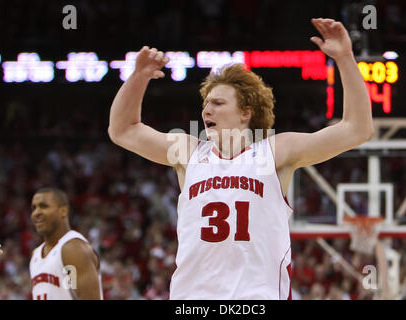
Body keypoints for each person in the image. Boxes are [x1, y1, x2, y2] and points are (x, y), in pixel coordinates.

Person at [108, 18, 373, 299]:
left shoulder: (275, 152)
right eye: (205, 104)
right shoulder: (188, 153)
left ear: (245, 112)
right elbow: (122, 130)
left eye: (218, 103)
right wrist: (137, 77)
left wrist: (344, 57)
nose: (207, 110)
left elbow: (357, 128)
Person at [29, 188, 103, 300]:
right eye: (34, 208)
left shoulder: (73, 249)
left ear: (63, 211)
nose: (36, 213)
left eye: (44, 206)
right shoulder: (35, 254)